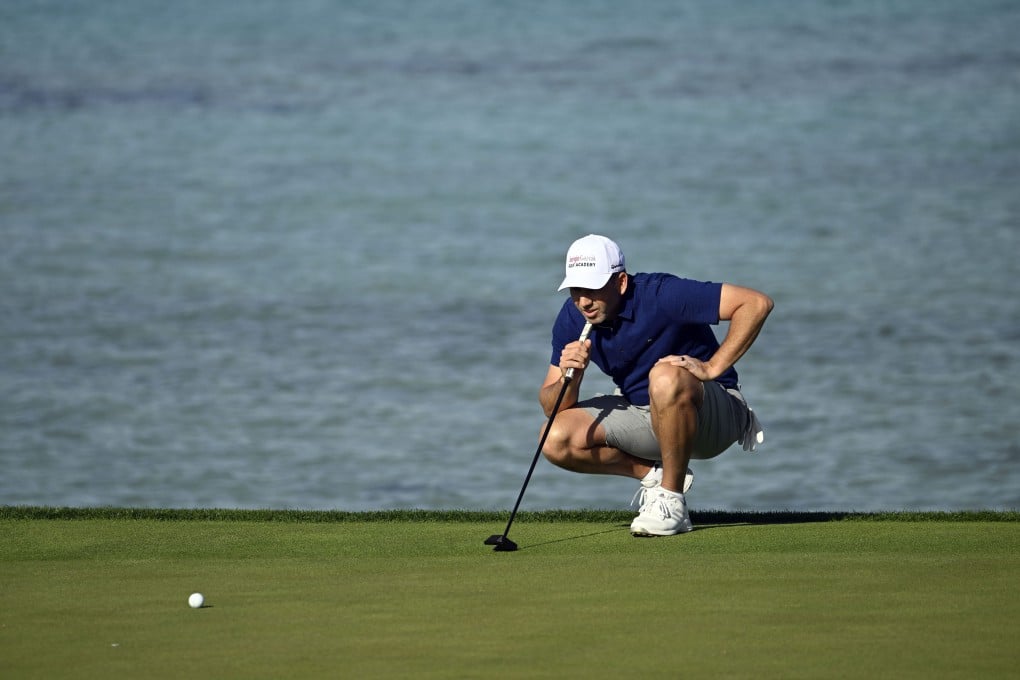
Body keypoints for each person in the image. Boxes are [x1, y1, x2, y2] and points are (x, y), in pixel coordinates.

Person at [540, 234, 773, 536]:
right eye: (576, 289)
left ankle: (672, 502)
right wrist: (572, 377)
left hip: (715, 415)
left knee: (664, 375)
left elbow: (755, 304)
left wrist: (712, 366)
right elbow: (550, 406)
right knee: (553, 436)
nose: (583, 301)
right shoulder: (572, 319)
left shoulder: (662, 294)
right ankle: (654, 477)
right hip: (648, 414)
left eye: (593, 289)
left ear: (620, 282)